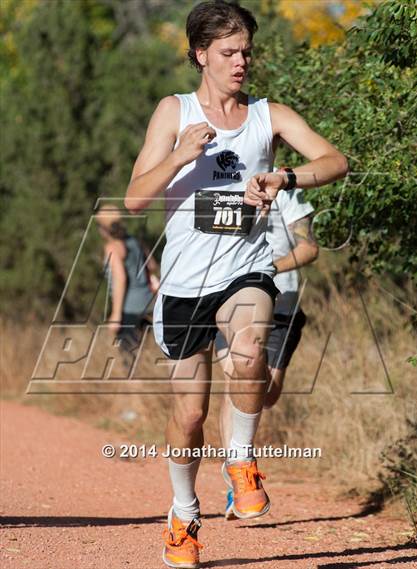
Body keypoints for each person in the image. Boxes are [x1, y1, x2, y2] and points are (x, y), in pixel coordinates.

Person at [124, 2, 348, 566]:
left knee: (250, 350)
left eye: (246, 50)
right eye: (229, 52)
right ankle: (182, 513)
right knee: (190, 417)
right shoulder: (173, 112)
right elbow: (133, 200)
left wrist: (282, 175)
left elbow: (333, 159)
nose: (241, 61)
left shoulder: (268, 115)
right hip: (182, 285)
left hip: (243, 272)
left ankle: (242, 461)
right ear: (201, 55)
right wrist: (179, 155)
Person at [215, 188, 319, 520]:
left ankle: (239, 470)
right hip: (230, 299)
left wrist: (264, 268)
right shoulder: (222, 187)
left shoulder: (290, 192)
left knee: (266, 394)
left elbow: (308, 248)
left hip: (282, 302)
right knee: (235, 375)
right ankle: (239, 479)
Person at [96, 204, 159, 352]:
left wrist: (116, 315)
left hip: (130, 310)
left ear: (103, 228)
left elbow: (120, 279)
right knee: (150, 354)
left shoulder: (112, 247)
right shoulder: (134, 241)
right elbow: (152, 265)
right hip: (150, 304)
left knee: (129, 361)